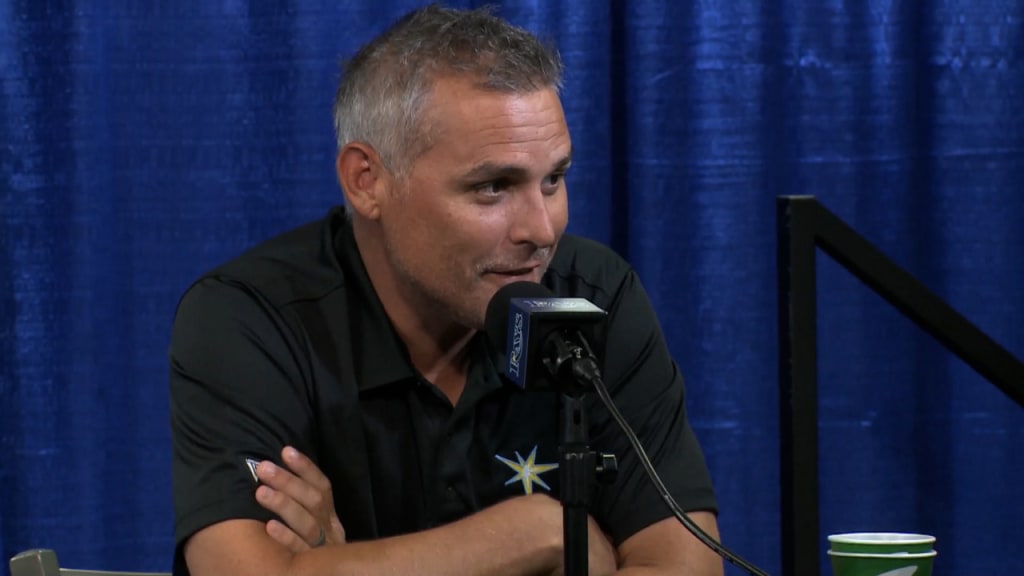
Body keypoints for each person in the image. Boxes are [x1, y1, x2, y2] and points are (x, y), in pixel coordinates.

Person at [169, 4, 722, 576]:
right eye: (492, 187)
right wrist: (539, 533)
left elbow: (690, 569)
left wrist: (342, 567)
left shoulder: (594, 296)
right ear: (368, 180)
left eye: (554, 178)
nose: (540, 230)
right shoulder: (250, 319)